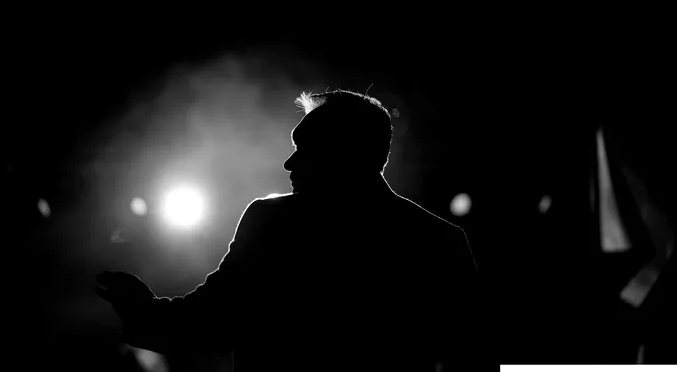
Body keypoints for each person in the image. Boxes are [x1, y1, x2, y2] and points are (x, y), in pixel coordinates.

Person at [96, 89, 481, 371]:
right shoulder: (440, 241)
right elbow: (470, 356)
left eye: (305, 148)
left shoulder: (272, 222)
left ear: (342, 153)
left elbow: (210, 322)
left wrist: (142, 311)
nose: (289, 163)